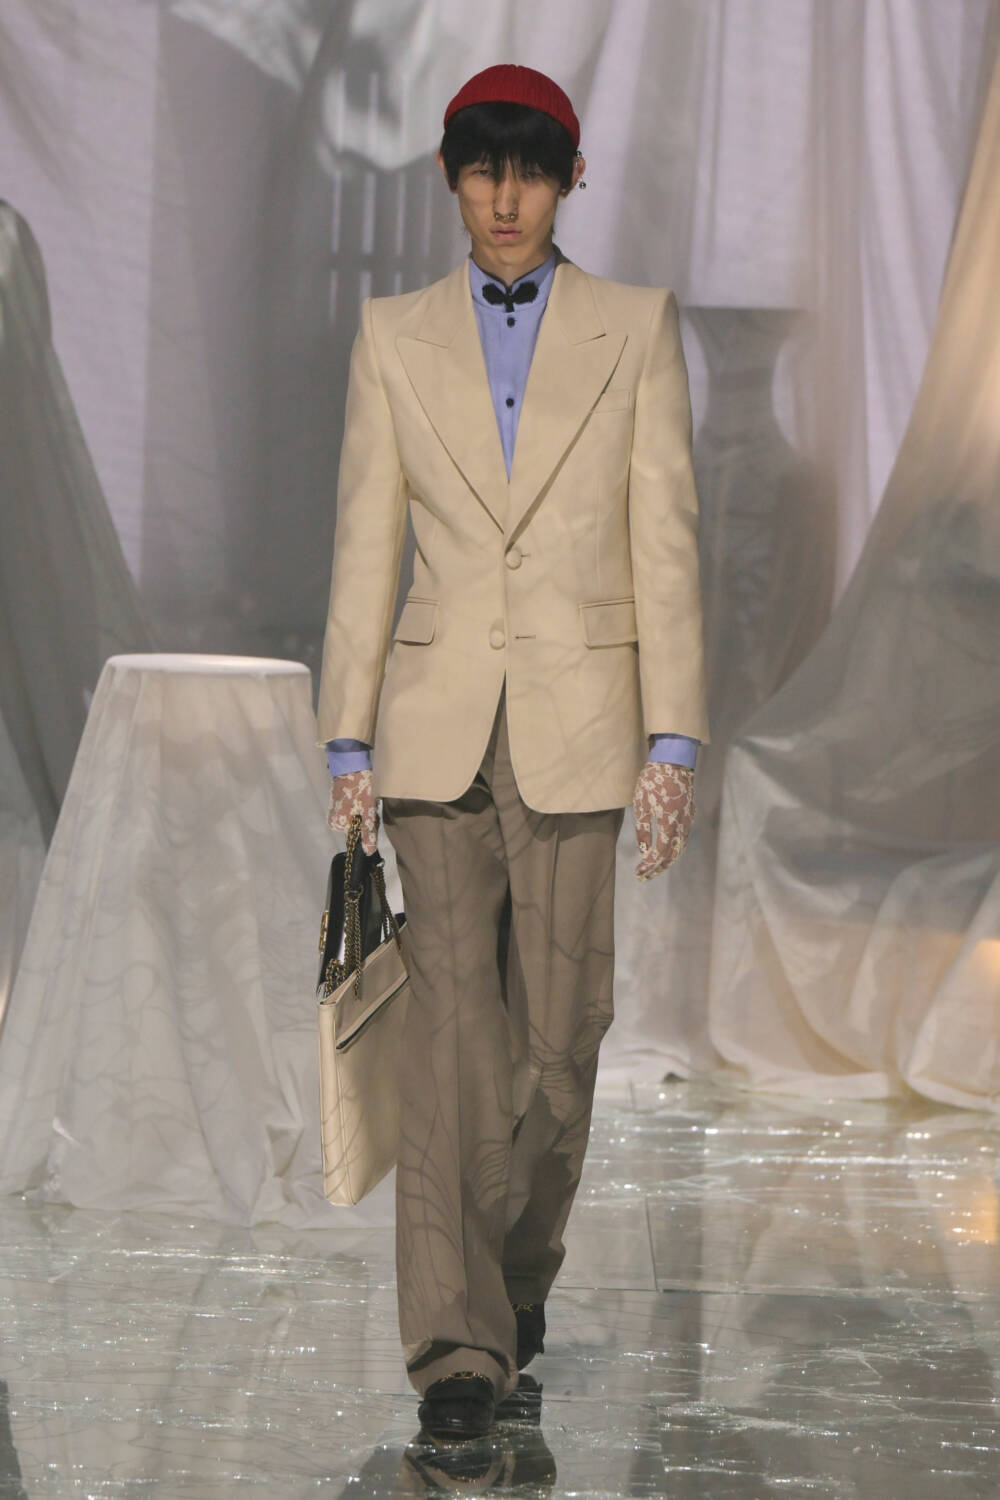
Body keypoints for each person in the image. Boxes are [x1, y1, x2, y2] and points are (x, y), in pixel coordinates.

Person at [317, 63, 708, 1440]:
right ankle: (456, 1353)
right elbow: (365, 539)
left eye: (529, 172)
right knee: (447, 1051)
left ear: (569, 181)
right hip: (433, 730)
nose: (504, 199)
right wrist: (347, 736)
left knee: (559, 1045)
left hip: (583, 725)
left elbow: (666, 538)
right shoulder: (391, 335)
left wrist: (673, 738)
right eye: (482, 171)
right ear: (450, 177)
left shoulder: (635, 327)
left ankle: (517, 1274)